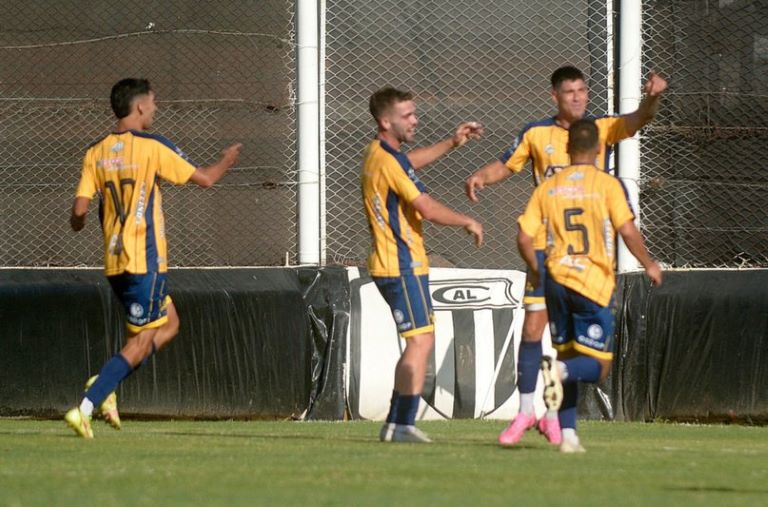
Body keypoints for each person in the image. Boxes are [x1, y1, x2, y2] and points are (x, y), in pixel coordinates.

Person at [464, 65, 667, 446]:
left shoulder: (598, 129)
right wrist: (480, 176)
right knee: (532, 330)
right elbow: (506, 164)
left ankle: (555, 418)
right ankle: (526, 412)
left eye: (582, 90)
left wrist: (652, 97)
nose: (578, 97)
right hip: (545, 251)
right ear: (554, 96)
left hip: (586, 257)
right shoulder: (536, 133)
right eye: (569, 92)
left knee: (568, 348)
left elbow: (638, 119)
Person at [64, 78, 242, 438]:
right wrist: (226, 160)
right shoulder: (151, 146)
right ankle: (87, 402)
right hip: (144, 260)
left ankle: (108, 383)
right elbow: (205, 179)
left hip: (114, 262)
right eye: (154, 102)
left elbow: (79, 213)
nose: (156, 108)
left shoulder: (95, 151)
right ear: (140, 106)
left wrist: (94, 216)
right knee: (143, 341)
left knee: (170, 323)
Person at [517, 118, 662, 452]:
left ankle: (568, 436)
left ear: (567, 149)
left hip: (554, 282)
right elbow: (627, 230)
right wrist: (649, 264)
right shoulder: (608, 185)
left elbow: (524, 236)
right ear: (599, 148)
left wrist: (536, 270)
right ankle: (561, 370)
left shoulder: (548, 187)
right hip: (592, 283)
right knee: (597, 367)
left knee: (566, 354)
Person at [362, 87, 484, 443]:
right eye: (407, 115)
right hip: (401, 264)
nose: (415, 120)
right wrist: (467, 220)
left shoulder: (378, 153)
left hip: (395, 264)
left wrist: (452, 143)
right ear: (386, 121)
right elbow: (426, 209)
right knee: (419, 342)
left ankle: (398, 424)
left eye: (414, 113)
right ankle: (401, 423)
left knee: (420, 340)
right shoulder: (387, 160)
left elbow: (408, 163)